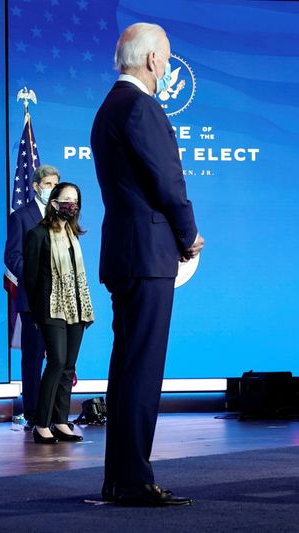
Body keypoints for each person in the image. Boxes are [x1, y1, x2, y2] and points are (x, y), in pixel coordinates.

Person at [91, 22, 203, 507]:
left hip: (126, 251)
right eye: (168, 56)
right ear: (154, 60)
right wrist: (189, 235)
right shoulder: (140, 106)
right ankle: (133, 481)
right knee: (142, 369)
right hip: (148, 253)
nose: (169, 64)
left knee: (128, 367)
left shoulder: (109, 107)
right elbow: (167, 181)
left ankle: (120, 478)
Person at [23, 182, 94, 444]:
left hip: (76, 308)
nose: (72, 205)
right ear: (54, 203)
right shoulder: (38, 234)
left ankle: (61, 421)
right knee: (56, 362)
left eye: (75, 201)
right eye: (66, 200)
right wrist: (34, 313)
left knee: (69, 367)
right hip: (50, 308)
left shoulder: (73, 235)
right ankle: (41, 424)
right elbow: (30, 278)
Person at [5, 165, 61, 429]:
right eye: (48, 184)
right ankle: (32, 412)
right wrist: (37, 274)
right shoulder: (21, 217)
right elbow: (12, 257)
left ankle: (55, 413)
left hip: (61, 299)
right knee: (34, 357)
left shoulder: (62, 216)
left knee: (60, 357)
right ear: (37, 186)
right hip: (33, 300)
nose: (52, 190)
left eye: (56, 185)